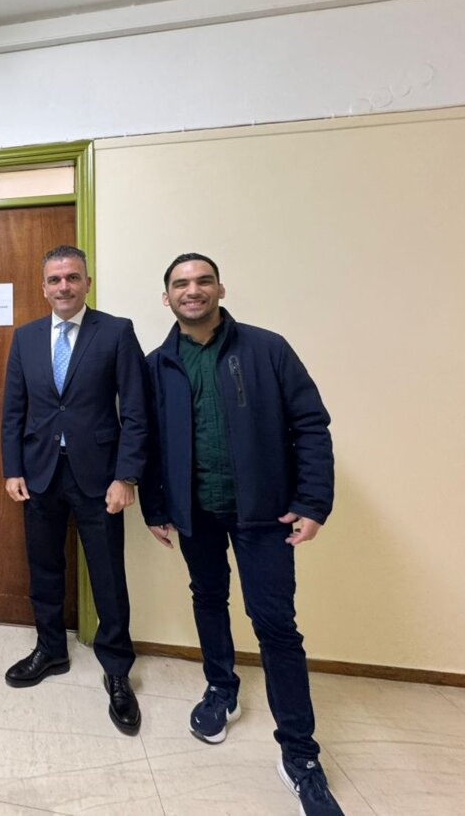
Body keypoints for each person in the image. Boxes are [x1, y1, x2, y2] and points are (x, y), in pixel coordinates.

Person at [140, 253, 343, 816]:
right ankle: (221, 689)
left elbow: (311, 425)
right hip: (195, 514)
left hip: (264, 515)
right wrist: (156, 506)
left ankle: (300, 755)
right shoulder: (157, 364)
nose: (193, 290)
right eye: (181, 284)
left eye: (203, 280)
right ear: (166, 298)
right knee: (207, 598)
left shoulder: (266, 349)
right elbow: (148, 442)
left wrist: (312, 502)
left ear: (220, 289)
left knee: (276, 626)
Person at [0, 244, 149, 736]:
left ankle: (117, 669)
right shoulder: (25, 337)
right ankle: (50, 650)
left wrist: (126, 476)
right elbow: (13, 410)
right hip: (40, 474)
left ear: (87, 282)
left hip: (99, 476)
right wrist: (12, 468)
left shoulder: (116, 332)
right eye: (55, 279)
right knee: (44, 568)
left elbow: (135, 411)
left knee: (107, 573)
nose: (63, 286)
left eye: (72, 277)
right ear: (43, 287)